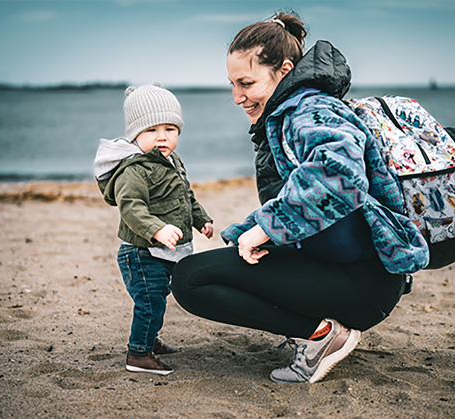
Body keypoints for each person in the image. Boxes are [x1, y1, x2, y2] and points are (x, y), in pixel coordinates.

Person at [171, 12, 428, 383]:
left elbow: (341, 176)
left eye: (246, 82)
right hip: (350, 272)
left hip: (363, 282)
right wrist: (249, 231)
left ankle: (321, 337)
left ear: (284, 70)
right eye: (232, 84)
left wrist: (265, 228)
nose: (237, 96)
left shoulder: (309, 109)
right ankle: (317, 330)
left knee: (191, 281)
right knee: (195, 273)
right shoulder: (290, 112)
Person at [94, 83, 214, 375]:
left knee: (156, 300)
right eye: (151, 131)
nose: (162, 137)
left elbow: (186, 196)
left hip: (164, 251)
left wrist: (202, 220)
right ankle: (138, 355)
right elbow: (131, 206)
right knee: (149, 302)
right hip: (142, 251)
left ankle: (148, 340)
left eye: (170, 129)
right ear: (135, 135)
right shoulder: (135, 168)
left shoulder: (173, 161)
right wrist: (157, 230)